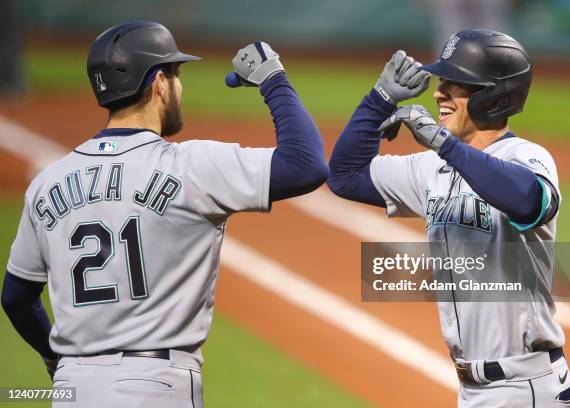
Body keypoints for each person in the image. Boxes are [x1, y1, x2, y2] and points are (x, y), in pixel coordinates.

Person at [2, 21, 328, 407]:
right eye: (176, 75)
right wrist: (273, 80)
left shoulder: (47, 182)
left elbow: (17, 296)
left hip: (72, 390)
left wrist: (53, 357)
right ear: (158, 83)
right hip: (154, 387)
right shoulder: (190, 166)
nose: (180, 86)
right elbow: (307, 165)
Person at [327, 29, 570, 407]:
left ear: (492, 96)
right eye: (442, 80)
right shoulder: (431, 169)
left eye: (456, 84)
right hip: (474, 391)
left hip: (527, 388)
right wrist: (378, 100)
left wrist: (445, 145)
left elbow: (529, 200)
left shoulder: (527, 157)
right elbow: (345, 176)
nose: (438, 93)